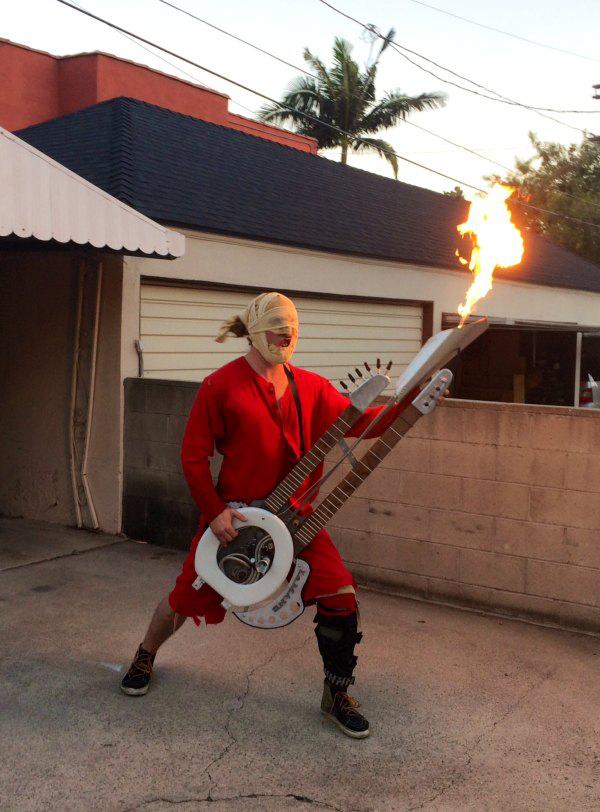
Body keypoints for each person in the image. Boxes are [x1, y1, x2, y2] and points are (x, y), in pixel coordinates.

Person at [120, 291, 407, 738]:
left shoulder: (311, 387)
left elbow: (359, 423)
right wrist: (214, 512)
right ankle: (145, 654)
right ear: (255, 331)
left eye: (291, 330)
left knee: (341, 596)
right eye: (276, 329)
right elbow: (193, 457)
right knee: (185, 598)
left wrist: (412, 403)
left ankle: (336, 693)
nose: (285, 337)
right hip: (237, 521)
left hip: (298, 520)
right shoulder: (220, 386)